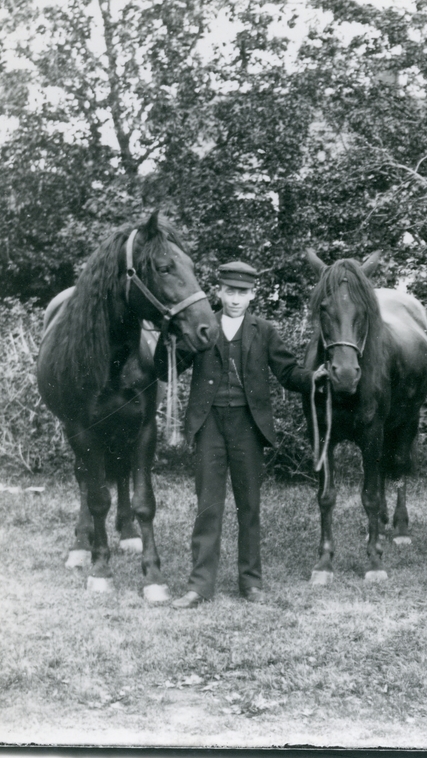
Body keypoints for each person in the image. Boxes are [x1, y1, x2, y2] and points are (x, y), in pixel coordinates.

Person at [164, 261, 315, 609]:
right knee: (208, 507)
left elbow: (288, 372)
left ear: (253, 295)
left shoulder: (265, 330)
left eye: (242, 293)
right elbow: (168, 366)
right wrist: (167, 338)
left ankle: (251, 583)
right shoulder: (203, 327)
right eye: (230, 291)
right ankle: (200, 586)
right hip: (209, 426)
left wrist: (315, 379)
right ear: (219, 292)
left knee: (249, 507)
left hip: (248, 427)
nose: (235, 299)